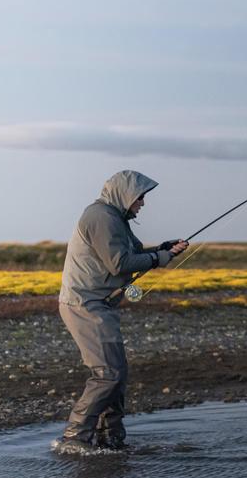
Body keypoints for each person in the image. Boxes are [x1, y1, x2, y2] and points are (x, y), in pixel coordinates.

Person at [55, 170, 188, 451]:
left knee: (117, 372)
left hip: (100, 305)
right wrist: (158, 259)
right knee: (108, 373)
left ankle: (111, 439)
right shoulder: (101, 217)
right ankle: (73, 439)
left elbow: (133, 255)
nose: (142, 203)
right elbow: (119, 264)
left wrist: (162, 250)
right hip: (84, 305)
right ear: (124, 195)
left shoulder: (115, 218)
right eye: (139, 197)